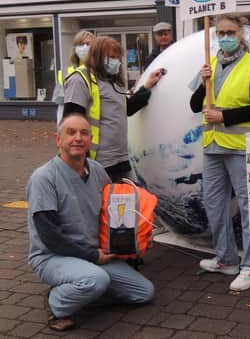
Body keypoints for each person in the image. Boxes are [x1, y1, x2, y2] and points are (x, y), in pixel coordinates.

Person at [26, 113, 154, 332]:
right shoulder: (44, 178)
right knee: (95, 280)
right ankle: (56, 302)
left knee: (144, 293)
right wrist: (93, 256)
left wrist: (131, 240)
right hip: (52, 256)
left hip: (93, 253)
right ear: (58, 140)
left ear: (91, 139)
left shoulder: (97, 171)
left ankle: (82, 289)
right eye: (71, 132)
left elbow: (111, 216)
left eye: (84, 133)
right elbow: (50, 236)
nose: (78, 138)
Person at [189, 14, 250, 291]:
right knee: (214, 204)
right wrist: (203, 84)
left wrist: (223, 117)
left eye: (230, 32)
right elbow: (193, 105)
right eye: (221, 32)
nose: (225, 36)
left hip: (241, 148)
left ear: (241, 34)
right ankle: (226, 259)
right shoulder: (210, 64)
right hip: (212, 147)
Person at [63, 36, 165, 181]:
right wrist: (79, 160)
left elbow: (126, 109)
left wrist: (147, 86)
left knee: (124, 200)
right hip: (96, 161)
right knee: (97, 202)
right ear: (97, 57)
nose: (115, 62)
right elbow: (71, 123)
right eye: (111, 57)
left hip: (120, 159)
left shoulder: (113, 81)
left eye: (117, 58)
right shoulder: (80, 79)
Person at [54, 30, 95, 125]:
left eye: (88, 44)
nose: (85, 47)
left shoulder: (99, 72)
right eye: (81, 44)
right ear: (75, 49)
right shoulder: (65, 73)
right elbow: (61, 108)